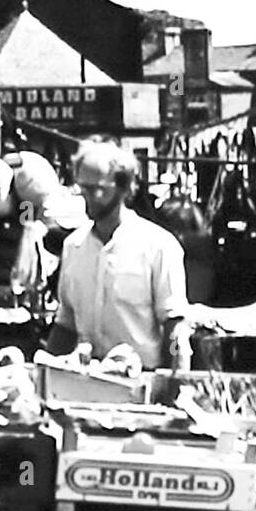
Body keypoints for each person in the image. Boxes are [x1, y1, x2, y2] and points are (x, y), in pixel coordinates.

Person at [48, 139, 188, 369]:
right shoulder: (73, 247)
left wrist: (175, 380)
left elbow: (175, 328)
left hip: (141, 379)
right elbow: (67, 323)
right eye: (83, 189)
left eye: (97, 190)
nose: (87, 198)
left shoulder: (158, 246)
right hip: (86, 379)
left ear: (123, 187)